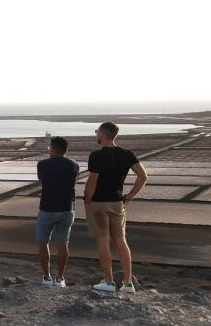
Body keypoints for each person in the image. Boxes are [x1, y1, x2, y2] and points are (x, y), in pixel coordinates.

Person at [84, 122, 148, 293]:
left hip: (98, 204)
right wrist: (130, 195)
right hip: (118, 203)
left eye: (97, 131)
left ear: (103, 134)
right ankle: (128, 283)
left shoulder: (96, 156)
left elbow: (92, 181)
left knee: (103, 241)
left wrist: (87, 198)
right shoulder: (127, 154)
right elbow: (143, 176)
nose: (96, 134)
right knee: (121, 241)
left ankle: (109, 282)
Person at [36, 136, 79, 287]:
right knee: (63, 243)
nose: (48, 149)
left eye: (49, 147)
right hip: (67, 209)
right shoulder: (74, 165)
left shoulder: (42, 164)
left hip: (47, 208)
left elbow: (42, 180)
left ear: (53, 148)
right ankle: (60, 278)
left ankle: (47, 277)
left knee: (43, 242)